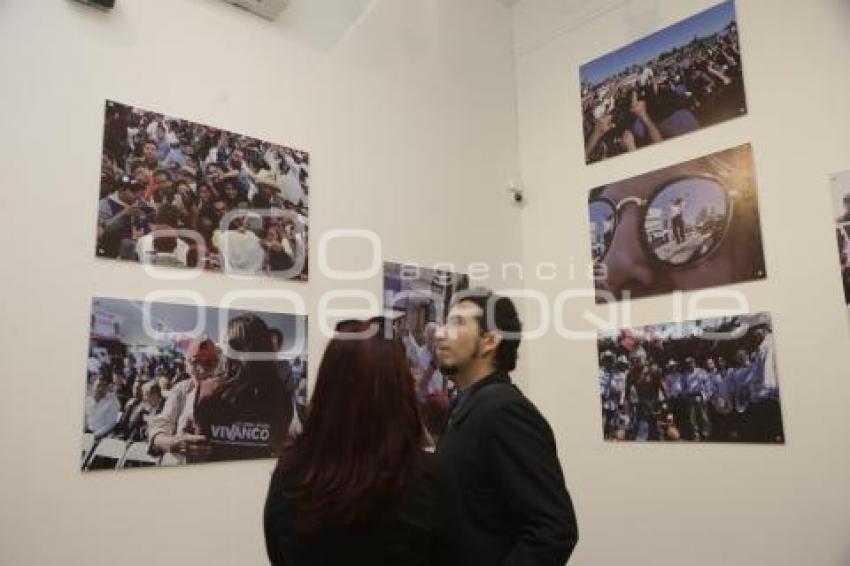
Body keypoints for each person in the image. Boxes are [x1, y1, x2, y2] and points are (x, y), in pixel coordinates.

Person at [264, 317, 442, 565]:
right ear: (399, 389)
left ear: (326, 385)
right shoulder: (427, 480)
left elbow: (277, 551)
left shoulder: (292, 472)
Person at [434, 288, 578, 565]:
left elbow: (553, 530)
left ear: (489, 341)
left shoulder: (505, 411)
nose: (440, 333)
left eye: (457, 323)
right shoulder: (465, 406)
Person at [147, 339, 219, 464]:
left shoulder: (228, 392)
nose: (201, 369)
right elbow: (161, 425)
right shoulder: (181, 390)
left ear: (218, 365)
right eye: (195, 362)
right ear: (186, 366)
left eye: (209, 363)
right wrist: (174, 443)